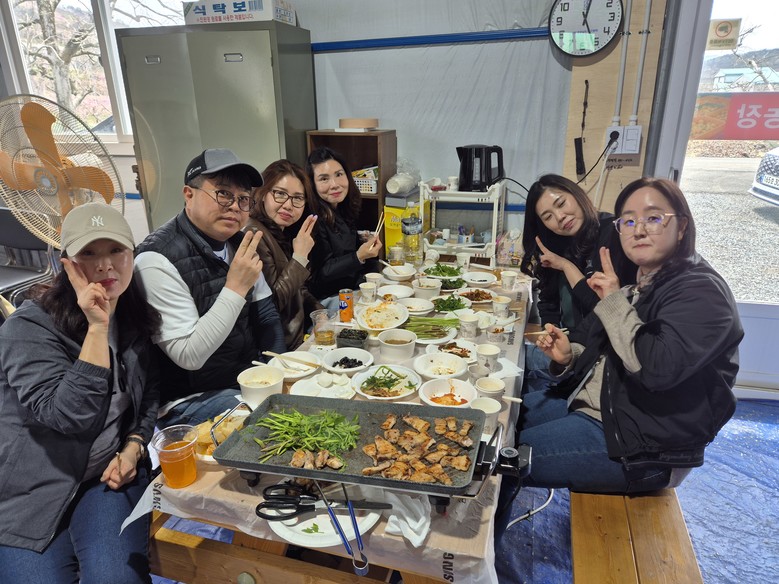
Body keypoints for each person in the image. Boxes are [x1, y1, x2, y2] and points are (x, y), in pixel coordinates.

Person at [513, 177, 743, 495]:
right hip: (603, 402)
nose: (639, 230)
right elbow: (593, 337)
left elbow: (656, 368)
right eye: (629, 221)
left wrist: (611, 300)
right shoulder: (644, 278)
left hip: (646, 444)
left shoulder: (701, 292)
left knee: (500, 457)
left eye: (653, 218)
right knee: (502, 419)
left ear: (682, 226)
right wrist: (569, 355)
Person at [0, 202, 161, 583]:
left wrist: (134, 445)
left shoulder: (135, 316)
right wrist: (96, 329)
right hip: (32, 488)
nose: (105, 265)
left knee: (115, 578)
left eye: (116, 250)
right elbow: (68, 417)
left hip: (103, 478)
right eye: (89, 253)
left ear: (132, 255)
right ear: (67, 264)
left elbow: (149, 393)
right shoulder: (28, 328)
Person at [134, 148, 285, 428]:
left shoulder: (239, 243)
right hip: (189, 399)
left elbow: (267, 317)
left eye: (243, 199)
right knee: (274, 426)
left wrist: (276, 374)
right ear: (188, 194)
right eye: (223, 194)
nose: (235, 206)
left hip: (241, 379)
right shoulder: (156, 259)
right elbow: (189, 356)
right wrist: (235, 287)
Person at [519, 174, 635, 386]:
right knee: (512, 359)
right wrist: (550, 332)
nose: (560, 217)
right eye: (548, 217)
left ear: (576, 194)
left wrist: (566, 266)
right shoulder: (558, 241)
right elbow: (549, 299)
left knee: (516, 364)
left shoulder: (611, 234)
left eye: (561, 203)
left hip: (596, 352)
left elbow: (603, 307)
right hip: (568, 345)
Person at [247, 159, 323, 349]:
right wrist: (299, 258)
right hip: (280, 347)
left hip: (299, 334)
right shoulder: (254, 234)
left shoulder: (281, 231)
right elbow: (270, 305)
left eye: (298, 198)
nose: (289, 205)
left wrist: (320, 314)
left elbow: (299, 290)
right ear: (262, 193)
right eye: (280, 194)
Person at [306, 146, 382, 305]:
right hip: (328, 300)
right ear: (312, 184)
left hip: (352, 289)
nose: (334, 184)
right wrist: (359, 256)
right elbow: (319, 275)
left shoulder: (342, 207)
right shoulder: (312, 219)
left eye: (339, 174)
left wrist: (365, 245)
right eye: (324, 179)